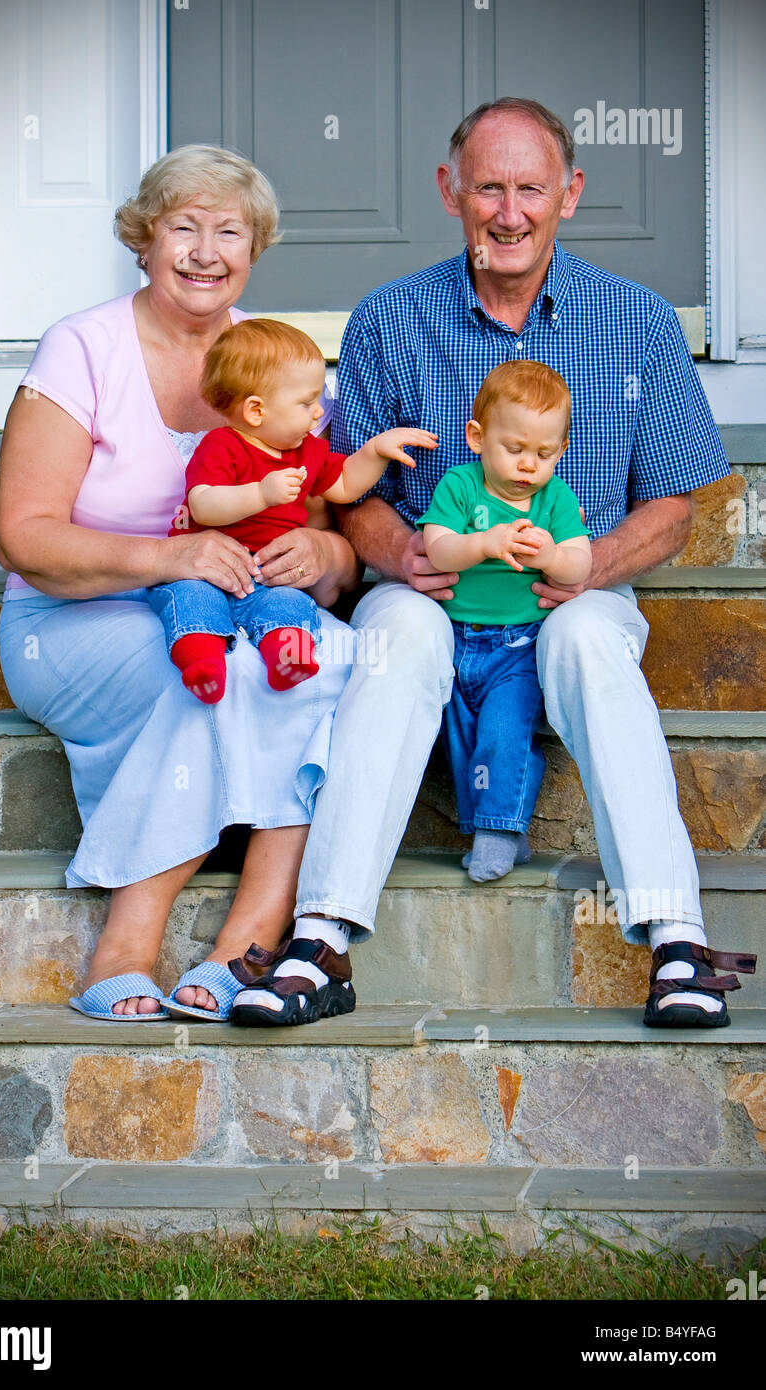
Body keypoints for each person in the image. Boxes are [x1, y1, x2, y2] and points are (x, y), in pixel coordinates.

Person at [231, 97, 756, 1031]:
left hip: (572, 591)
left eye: (529, 188)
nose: (508, 213)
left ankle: (676, 939)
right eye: (487, 188)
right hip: (434, 592)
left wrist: (593, 567)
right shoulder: (395, 319)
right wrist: (392, 551)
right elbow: (345, 485)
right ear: (450, 192)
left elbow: (674, 506)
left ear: (570, 193)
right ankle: (321, 938)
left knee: (595, 641)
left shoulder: (635, 320)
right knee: (391, 637)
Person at [0, 145, 360, 1024]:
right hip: (76, 617)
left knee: (333, 651)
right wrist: (172, 559)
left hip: (236, 609)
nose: (205, 251)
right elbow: (26, 535)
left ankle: (250, 940)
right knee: (204, 666)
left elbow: (326, 523)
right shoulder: (83, 348)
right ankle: (127, 942)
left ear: (255, 247)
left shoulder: (277, 359)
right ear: (144, 240)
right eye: (182, 227)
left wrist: (329, 561)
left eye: (228, 231)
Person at [148, 317, 435, 704]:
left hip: (267, 575)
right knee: (192, 601)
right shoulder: (222, 446)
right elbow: (204, 504)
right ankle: (202, 663)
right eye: (306, 402)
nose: (319, 413)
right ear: (255, 411)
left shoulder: (306, 452)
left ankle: (288, 658)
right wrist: (261, 494)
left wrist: (375, 451)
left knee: (290, 604)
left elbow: (345, 484)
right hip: (206, 571)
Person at [419, 359, 591, 882]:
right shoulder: (460, 487)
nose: (527, 466)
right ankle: (491, 829)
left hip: (519, 645)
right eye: (514, 449)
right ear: (477, 437)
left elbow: (581, 562)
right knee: (463, 739)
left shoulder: (554, 499)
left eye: (543, 454)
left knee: (504, 731)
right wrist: (485, 544)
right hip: (456, 639)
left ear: (559, 452)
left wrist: (551, 558)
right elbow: (438, 550)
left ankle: (498, 832)